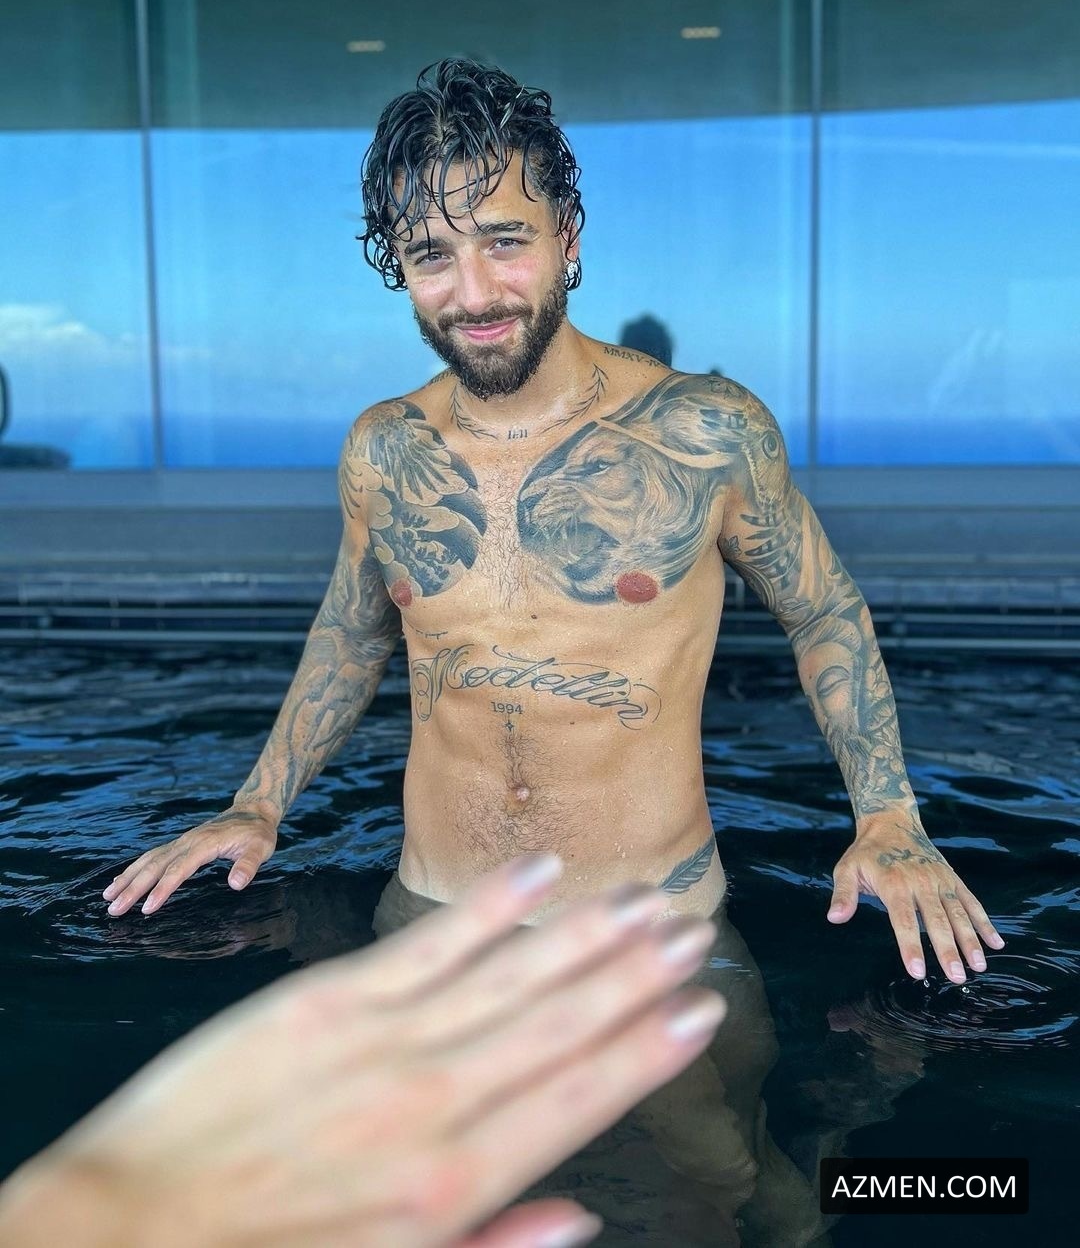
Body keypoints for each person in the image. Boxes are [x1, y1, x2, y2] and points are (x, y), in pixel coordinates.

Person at [103, 57, 1003, 986]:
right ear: (399, 267)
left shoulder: (706, 432)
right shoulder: (384, 449)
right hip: (429, 919)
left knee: (743, 1098)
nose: (474, 293)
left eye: (504, 241)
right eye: (432, 256)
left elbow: (822, 612)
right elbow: (352, 631)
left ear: (567, 235)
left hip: (648, 931)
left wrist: (888, 816)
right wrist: (258, 804)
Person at [0, 855, 727, 1248]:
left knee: (725, 1157)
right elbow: (351, 640)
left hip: (666, 894)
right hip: (431, 894)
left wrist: (90, 1217)